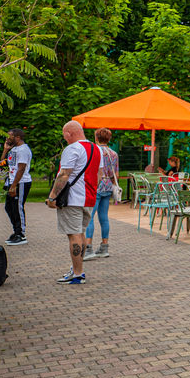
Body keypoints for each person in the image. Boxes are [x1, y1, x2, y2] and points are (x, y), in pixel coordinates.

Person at [47, 120, 101, 285]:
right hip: (89, 198)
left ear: (68, 133)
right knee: (80, 233)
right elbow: (99, 175)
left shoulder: (72, 149)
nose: (65, 139)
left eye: (65, 136)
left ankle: (77, 273)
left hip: (72, 199)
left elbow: (64, 174)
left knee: (74, 235)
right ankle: (78, 269)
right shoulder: (96, 149)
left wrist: (52, 197)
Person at [83, 128, 119, 261]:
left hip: (96, 186)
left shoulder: (94, 151)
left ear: (96, 138)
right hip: (108, 186)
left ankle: (88, 248)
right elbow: (116, 174)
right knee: (104, 217)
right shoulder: (114, 154)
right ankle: (104, 247)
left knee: (90, 217)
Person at [2, 128, 33, 245]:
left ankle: (21, 234)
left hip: (21, 182)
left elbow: (21, 169)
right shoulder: (13, 149)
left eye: (10, 137)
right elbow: (2, 163)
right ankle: (16, 231)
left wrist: (14, 186)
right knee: (9, 207)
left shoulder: (23, 150)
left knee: (17, 207)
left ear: (18, 138)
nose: (7, 139)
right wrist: (5, 150)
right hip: (12, 181)